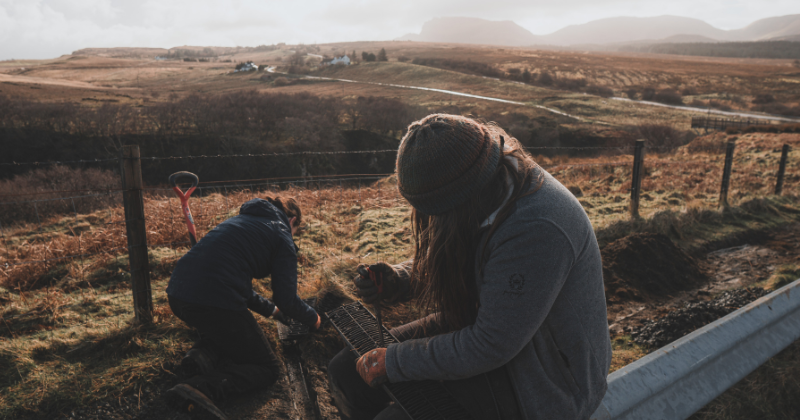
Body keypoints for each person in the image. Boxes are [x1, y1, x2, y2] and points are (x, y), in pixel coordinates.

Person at [327, 114, 612, 420]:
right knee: (346, 370)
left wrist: (395, 362)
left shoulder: (537, 228)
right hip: (490, 330)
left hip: (542, 383)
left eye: (438, 213)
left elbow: (490, 345)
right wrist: (401, 278)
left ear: (460, 200)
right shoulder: (483, 185)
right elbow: (465, 256)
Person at [164, 196, 320, 419]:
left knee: (225, 327)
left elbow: (239, 287)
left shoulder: (242, 221)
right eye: (295, 230)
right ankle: (199, 389)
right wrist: (314, 318)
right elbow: (287, 299)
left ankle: (201, 357)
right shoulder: (281, 234)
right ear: (292, 220)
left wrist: (273, 311)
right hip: (214, 298)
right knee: (267, 368)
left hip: (179, 294)